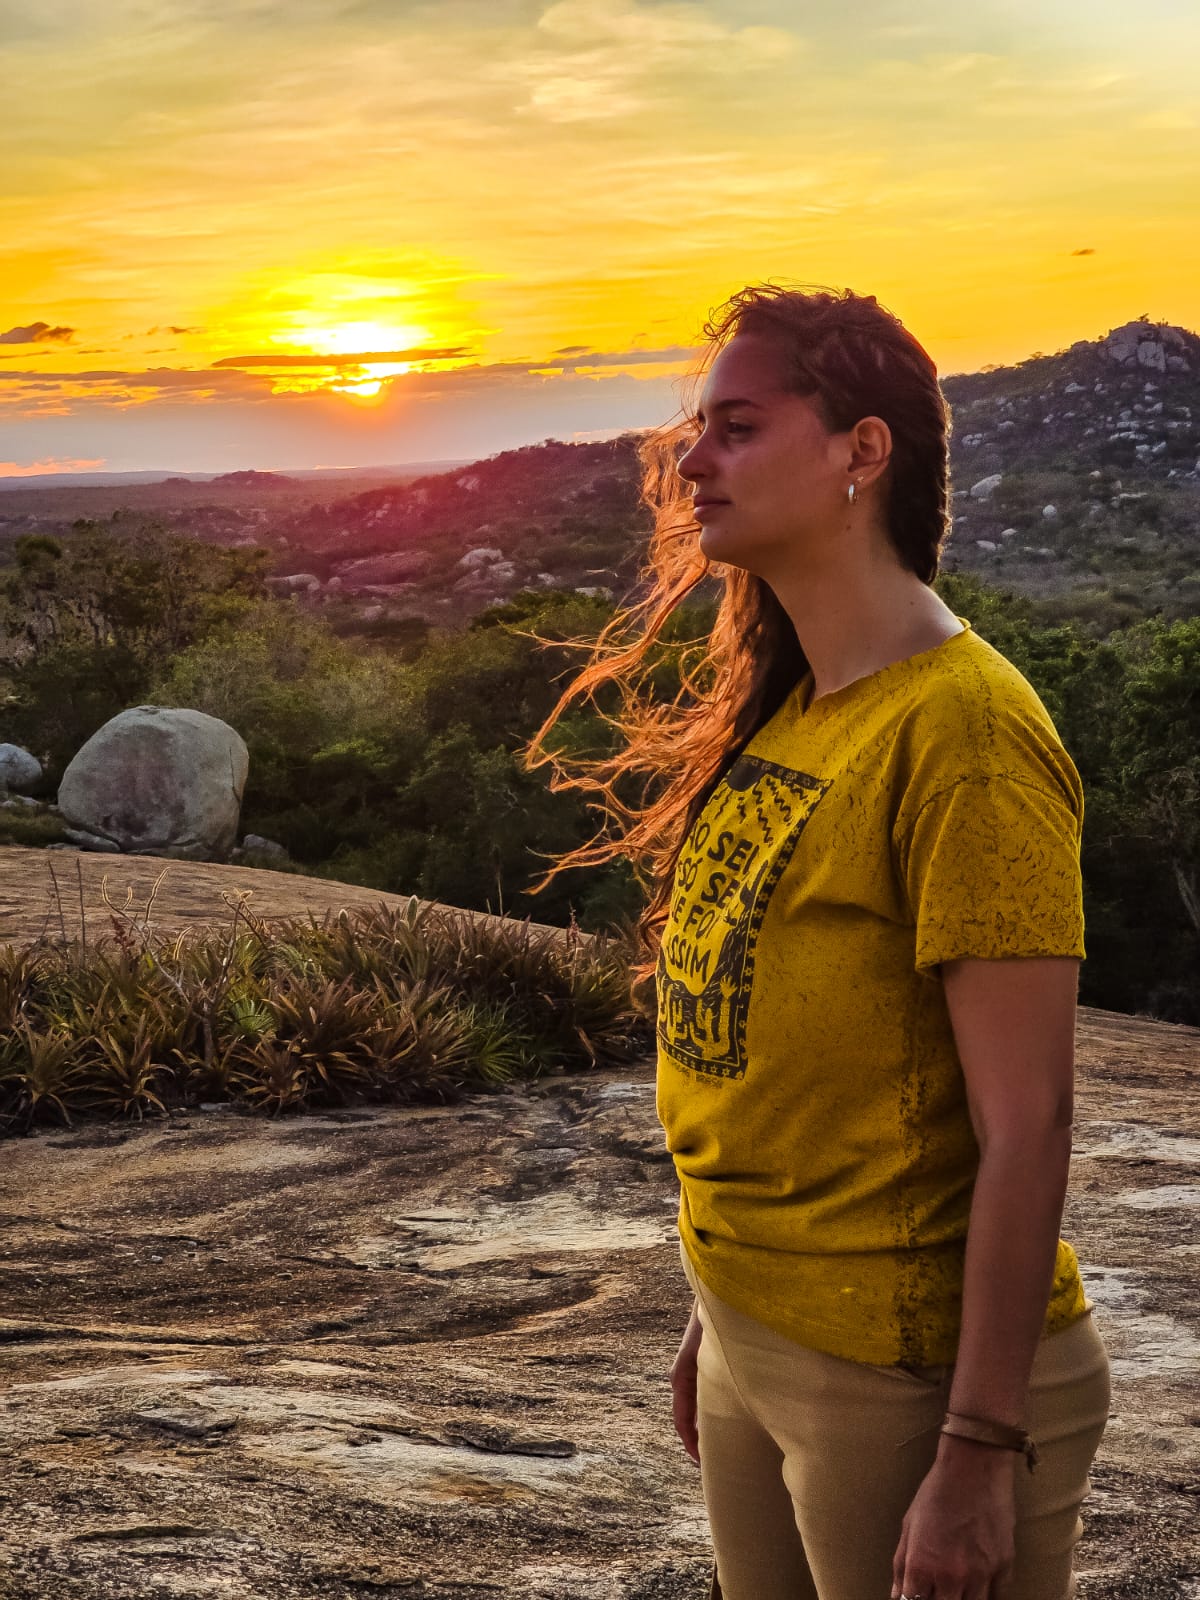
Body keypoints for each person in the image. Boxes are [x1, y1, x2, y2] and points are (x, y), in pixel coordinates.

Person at [528, 284, 1110, 1600]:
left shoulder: (964, 732)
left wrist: (976, 1450)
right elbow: (791, 1070)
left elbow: (1033, 1123)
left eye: (736, 426)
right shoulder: (795, 712)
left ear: (862, 451)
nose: (692, 459)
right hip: (759, 1343)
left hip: (905, 1385)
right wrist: (719, 1314)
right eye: (696, 429)